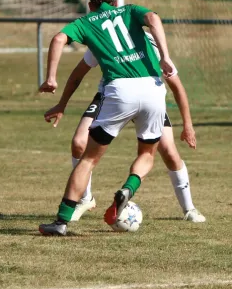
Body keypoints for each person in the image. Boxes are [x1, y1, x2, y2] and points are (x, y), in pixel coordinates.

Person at [37, 0, 179, 236]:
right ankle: (128, 188)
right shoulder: (131, 10)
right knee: (147, 153)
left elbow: (58, 39)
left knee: (89, 159)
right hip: (153, 88)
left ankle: (61, 221)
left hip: (119, 90)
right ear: (115, 0)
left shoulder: (87, 21)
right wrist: (166, 57)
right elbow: (153, 18)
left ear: (91, 3)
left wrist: (51, 78)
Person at [43, 34, 206, 223]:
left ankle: (189, 208)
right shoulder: (105, 37)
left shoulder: (151, 42)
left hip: (147, 97)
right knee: (79, 142)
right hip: (114, 97)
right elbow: (79, 72)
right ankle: (85, 199)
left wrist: (188, 125)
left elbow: (177, 86)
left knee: (169, 151)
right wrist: (62, 104)